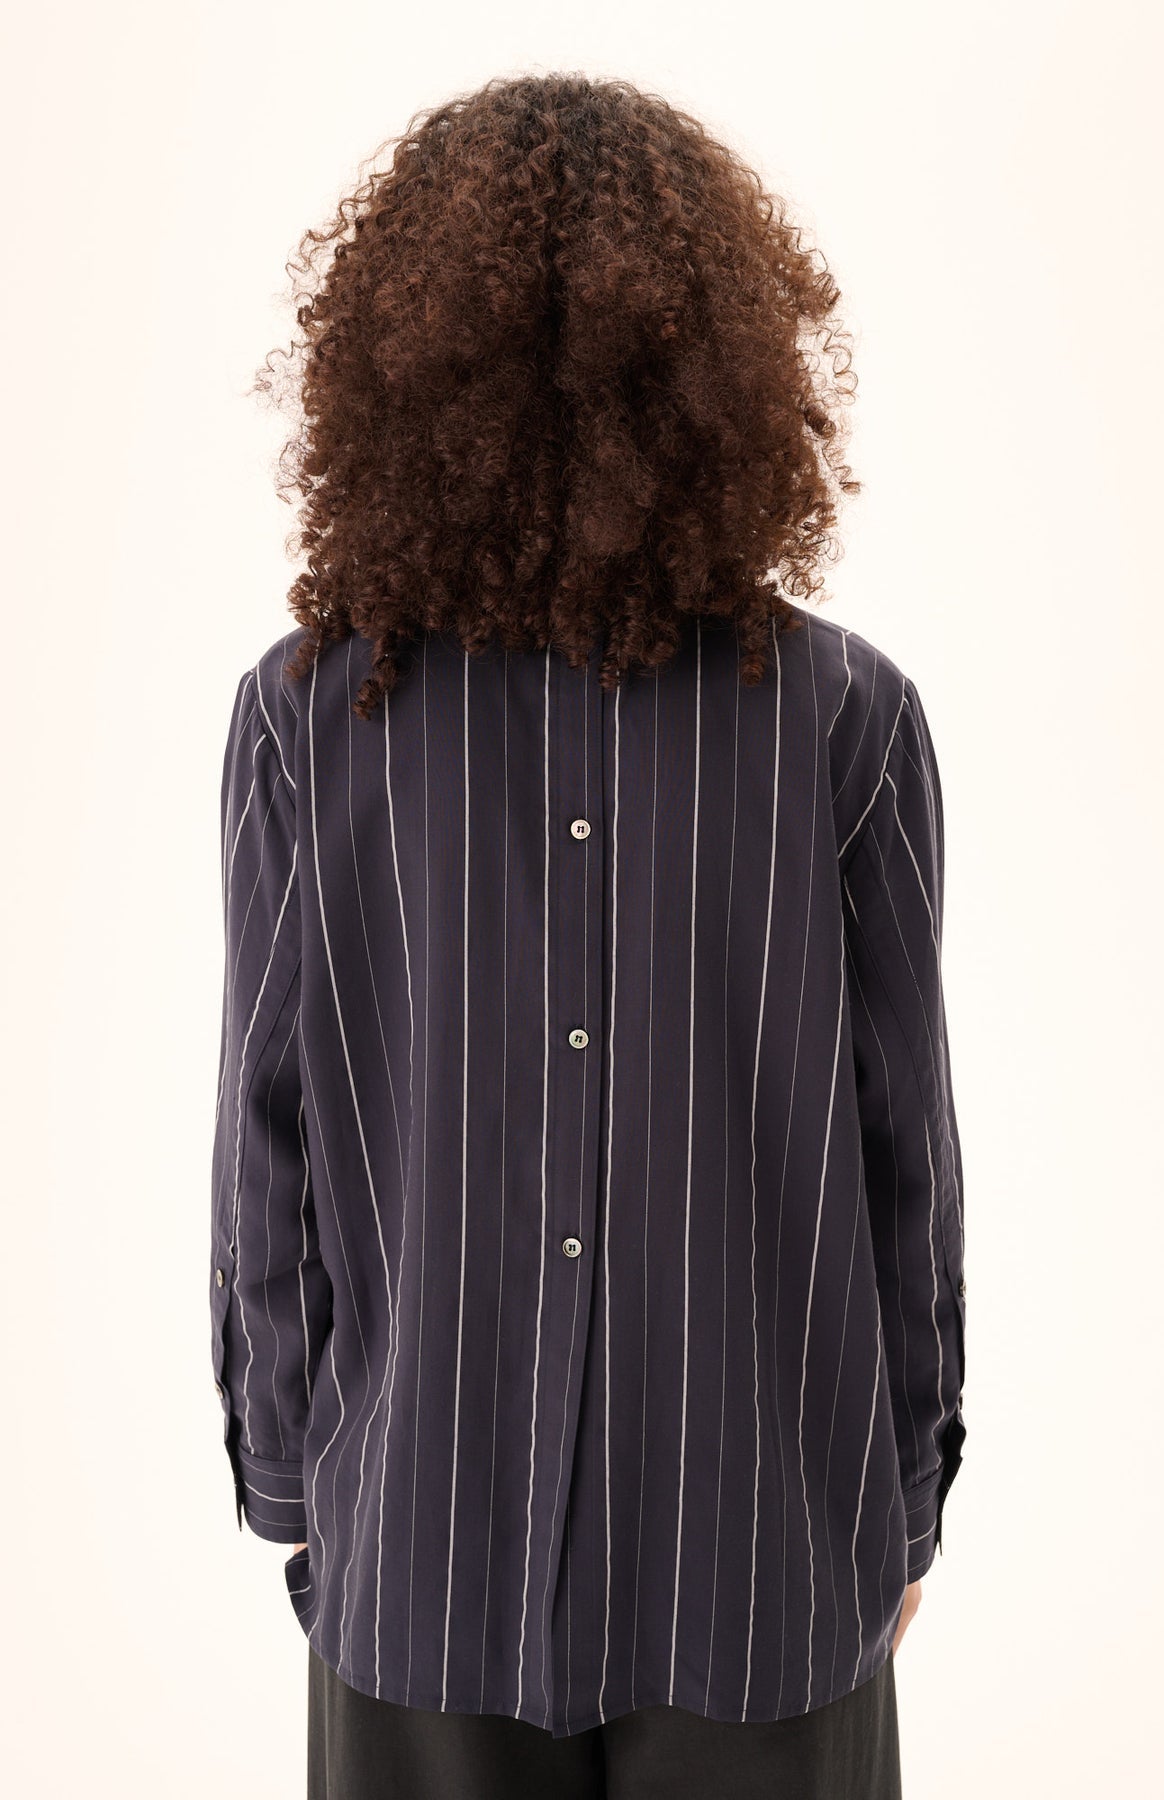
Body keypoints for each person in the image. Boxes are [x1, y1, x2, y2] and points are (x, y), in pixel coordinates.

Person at [210, 70, 967, 1800]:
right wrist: (907, 1493)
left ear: (403, 368)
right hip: (760, 1558)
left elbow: (263, 1141)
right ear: (719, 365)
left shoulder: (313, 713)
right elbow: (907, 1162)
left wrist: (291, 1479)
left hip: (446, 1551)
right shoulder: (838, 711)